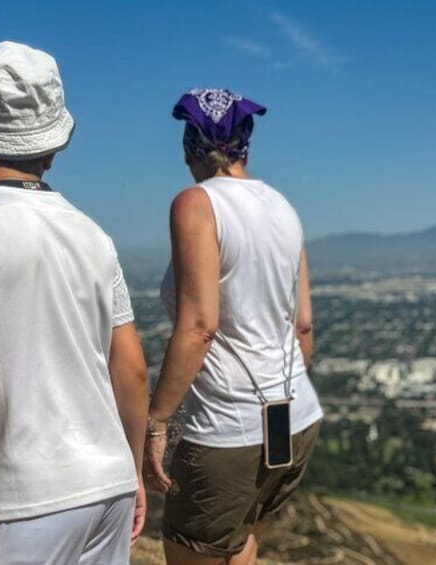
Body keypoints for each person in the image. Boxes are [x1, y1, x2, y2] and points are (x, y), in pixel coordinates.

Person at [0, 41, 148, 565]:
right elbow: (130, 369)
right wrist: (132, 472)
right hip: (108, 482)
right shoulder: (93, 234)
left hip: (29, 498)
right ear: (54, 146)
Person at [144, 88, 324, 565]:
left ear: (188, 148)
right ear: (246, 144)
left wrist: (156, 423)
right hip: (296, 416)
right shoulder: (282, 207)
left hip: (227, 428)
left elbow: (199, 326)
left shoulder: (195, 204)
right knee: (241, 542)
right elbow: (303, 326)